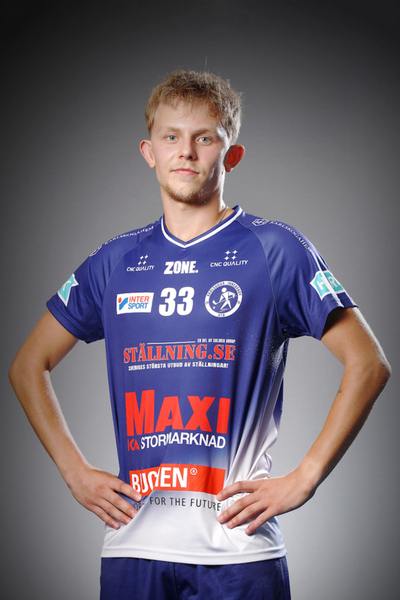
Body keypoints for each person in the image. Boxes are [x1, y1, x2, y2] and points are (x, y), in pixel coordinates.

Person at [9, 70, 391, 600]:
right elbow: (27, 366)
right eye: (171, 136)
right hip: (134, 546)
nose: (186, 151)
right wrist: (73, 470)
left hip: (239, 550)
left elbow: (369, 363)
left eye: (204, 137)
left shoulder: (275, 250)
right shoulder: (115, 261)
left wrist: (307, 476)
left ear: (231, 155)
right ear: (149, 151)